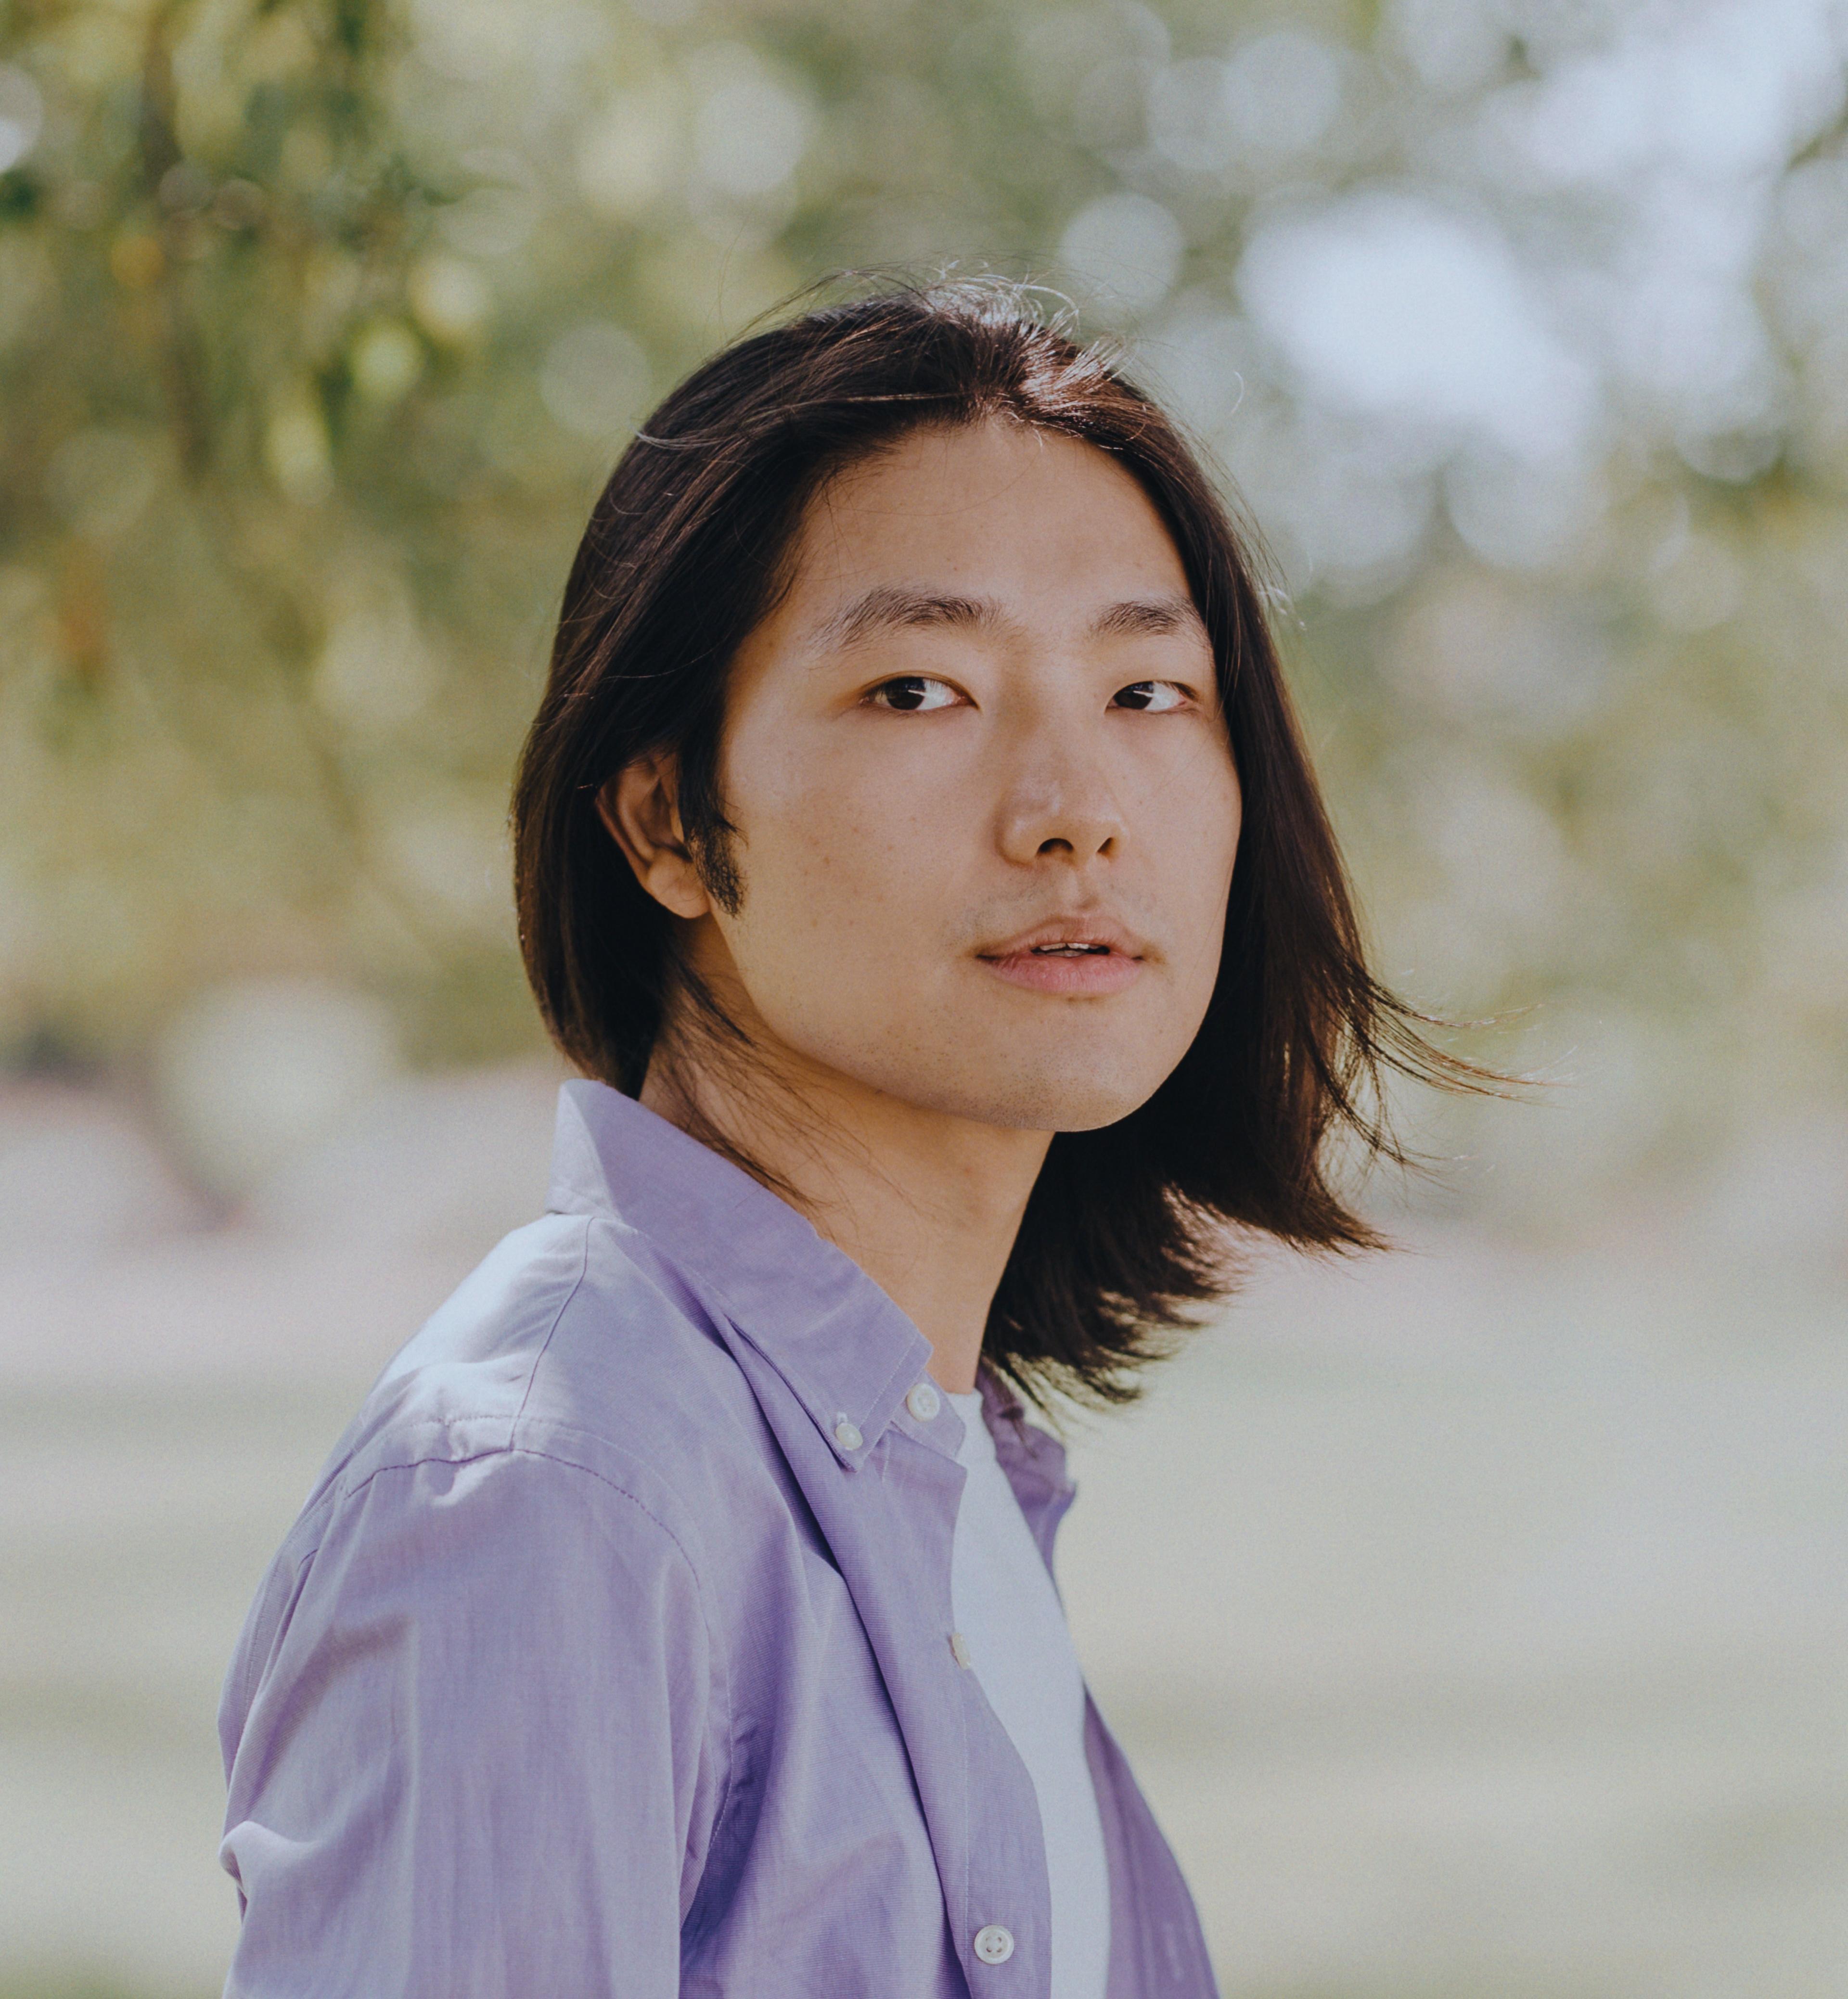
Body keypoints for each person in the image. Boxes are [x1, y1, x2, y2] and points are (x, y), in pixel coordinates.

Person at [217, 280, 1463, 1998]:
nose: (1076, 809)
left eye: (1149, 690)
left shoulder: (928, 1467)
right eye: (918, 690)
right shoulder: (554, 1492)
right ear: (669, 817)